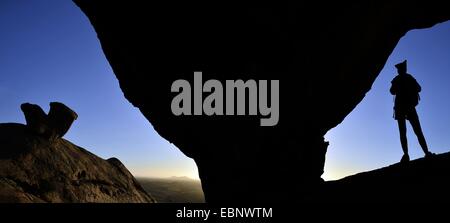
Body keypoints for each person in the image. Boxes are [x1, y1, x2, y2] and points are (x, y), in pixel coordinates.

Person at [390, 60, 434, 163]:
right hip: (409, 107)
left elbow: (392, 91)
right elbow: (419, 88)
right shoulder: (409, 77)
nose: (398, 70)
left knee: (403, 132)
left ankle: (406, 155)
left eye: (398, 68)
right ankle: (426, 152)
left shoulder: (397, 79)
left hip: (400, 108)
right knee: (418, 131)